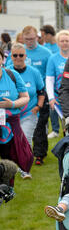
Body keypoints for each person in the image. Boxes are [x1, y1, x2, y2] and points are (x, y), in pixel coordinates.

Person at [8, 43, 45, 179]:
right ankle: (12, 166)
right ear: (10, 56)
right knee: (9, 141)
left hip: (29, 113)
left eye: (21, 55)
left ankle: (25, 169)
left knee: (25, 138)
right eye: (15, 55)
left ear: (26, 56)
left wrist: (38, 106)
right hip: (10, 114)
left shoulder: (34, 72)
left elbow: (41, 91)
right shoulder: (7, 72)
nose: (18, 58)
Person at [0, 48, 32, 180]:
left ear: (2, 59)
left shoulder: (12, 75)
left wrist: (11, 104)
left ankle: (10, 183)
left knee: (18, 153)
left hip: (11, 121)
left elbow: (25, 97)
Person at [46, 30, 69, 139]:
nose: (64, 43)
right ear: (58, 43)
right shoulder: (53, 59)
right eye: (62, 41)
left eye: (67, 41)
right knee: (65, 124)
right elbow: (49, 80)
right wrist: (51, 98)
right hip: (59, 97)